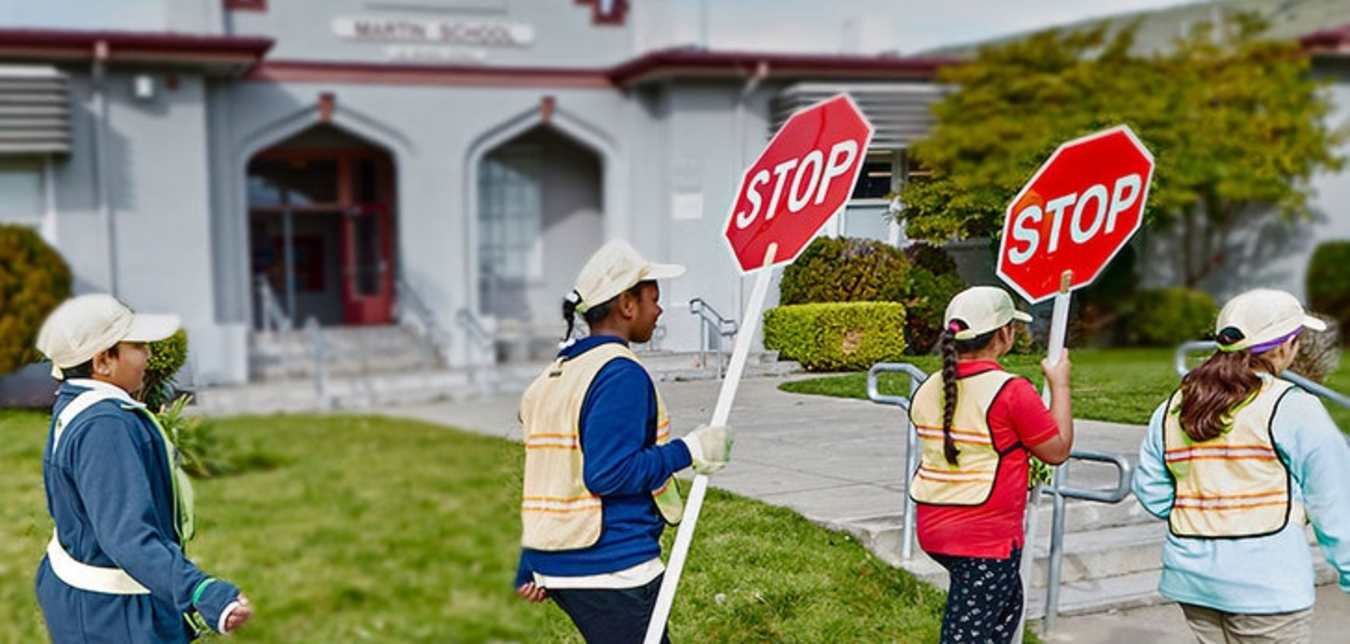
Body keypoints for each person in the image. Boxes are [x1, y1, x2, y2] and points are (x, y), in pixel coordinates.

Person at [513, 240, 733, 643]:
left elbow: (547, 475)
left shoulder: (555, 375)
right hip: (611, 567)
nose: (659, 310)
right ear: (627, 305)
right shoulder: (619, 374)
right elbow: (608, 473)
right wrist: (690, 450)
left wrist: (531, 562)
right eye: (654, 299)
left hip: (558, 562)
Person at [1132, 289, 1350, 644]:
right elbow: (1335, 500)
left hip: (1193, 581)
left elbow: (1150, 491)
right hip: (1267, 585)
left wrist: (1207, 514)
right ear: (1283, 347)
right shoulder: (1293, 407)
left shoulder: (1174, 407)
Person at [34, 294, 252, 643]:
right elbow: (128, 536)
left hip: (88, 601)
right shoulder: (105, 426)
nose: (149, 354)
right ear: (103, 361)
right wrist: (201, 591)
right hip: (115, 616)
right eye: (137, 346)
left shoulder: (75, 402)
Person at [909, 286, 1075, 644]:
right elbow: (1057, 450)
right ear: (1003, 334)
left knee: (1006, 609)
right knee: (969, 635)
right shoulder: (1010, 391)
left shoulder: (930, 385)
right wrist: (1060, 385)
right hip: (983, 539)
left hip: (934, 526)